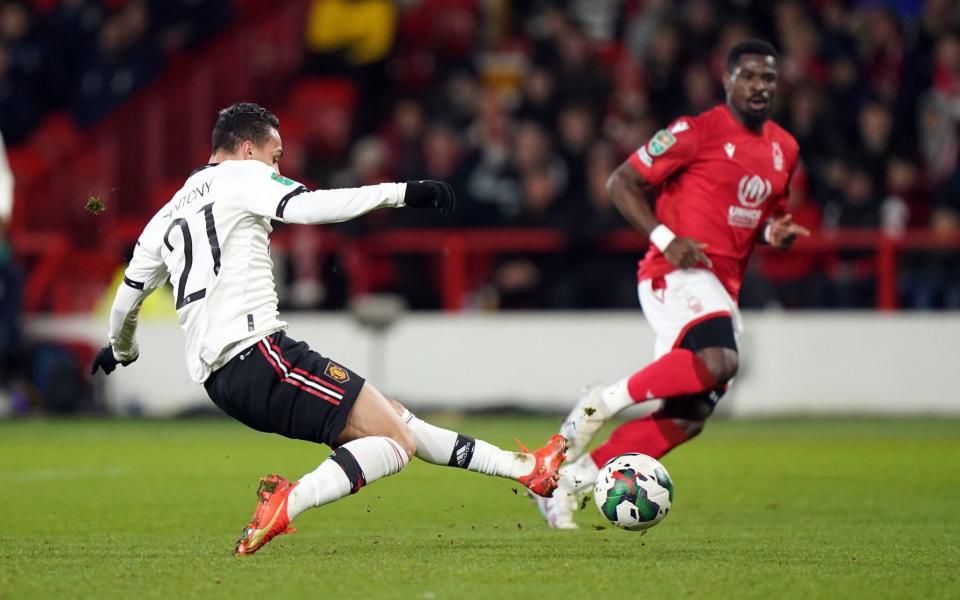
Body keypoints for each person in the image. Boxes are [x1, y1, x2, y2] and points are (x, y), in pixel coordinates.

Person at [91, 103, 566, 554]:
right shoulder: (244, 176)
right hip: (259, 355)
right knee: (394, 443)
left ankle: (527, 470)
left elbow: (126, 300)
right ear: (247, 149)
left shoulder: (165, 215)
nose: (278, 167)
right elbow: (311, 208)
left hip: (225, 379)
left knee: (394, 419)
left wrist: (121, 349)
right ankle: (286, 503)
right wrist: (402, 193)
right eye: (275, 157)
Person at [534, 40, 809, 528]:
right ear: (726, 80)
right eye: (748, 76)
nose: (759, 86)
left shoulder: (783, 149)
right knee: (721, 360)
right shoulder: (695, 131)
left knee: (689, 416)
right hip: (673, 271)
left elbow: (761, 216)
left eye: (767, 78)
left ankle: (568, 484)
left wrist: (773, 232)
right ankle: (604, 398)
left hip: (722, 287)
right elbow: (620, 182)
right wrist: (667, 237)